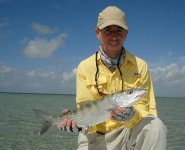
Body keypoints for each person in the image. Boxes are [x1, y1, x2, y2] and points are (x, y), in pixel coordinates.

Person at [58, 6, 167, 150]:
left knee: (156, 125)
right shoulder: (85, 67)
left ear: (126, 33)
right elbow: (85, 109)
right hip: (94, 137)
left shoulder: (141, 66)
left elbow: (148, 108)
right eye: (108, 30)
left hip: (128, 132)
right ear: (98, 33)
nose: (114, 36)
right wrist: (75, 125)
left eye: (119, 31)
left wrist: (132, 115)